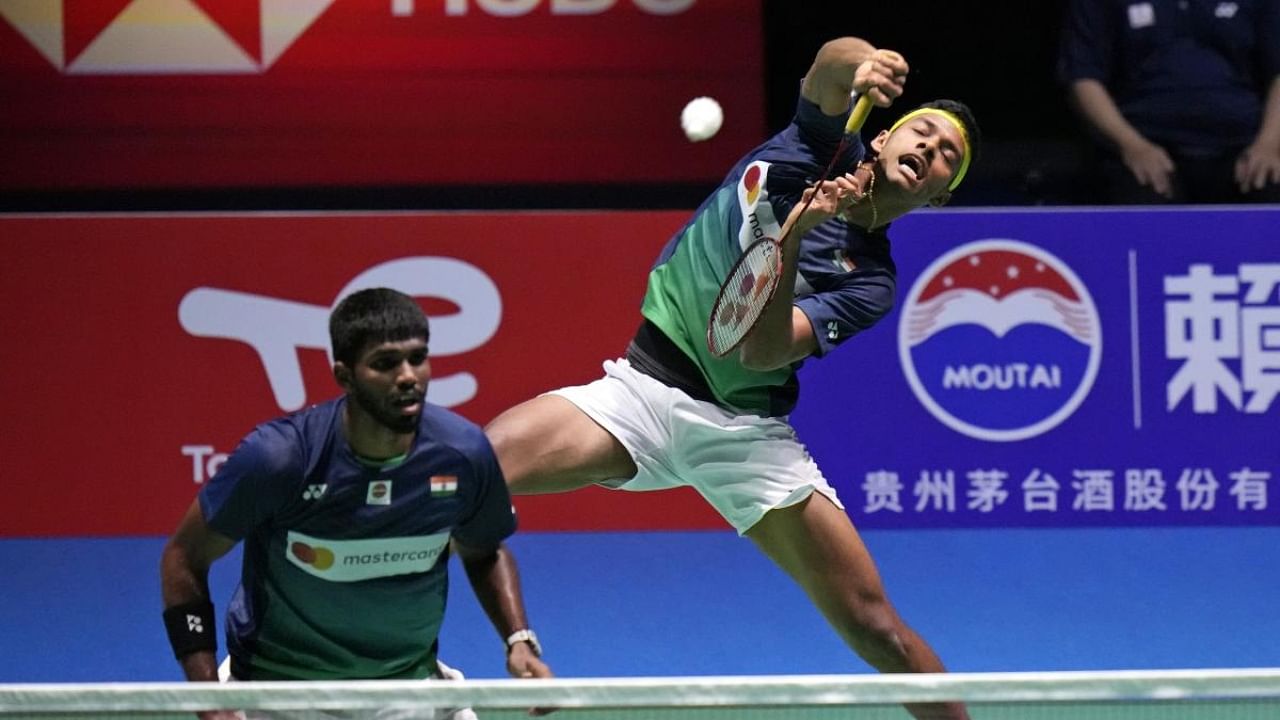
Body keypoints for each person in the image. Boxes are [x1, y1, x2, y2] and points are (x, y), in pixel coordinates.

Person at [485, 36, 977, 720]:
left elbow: (761, 353)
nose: (929, 149)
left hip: (744, 434)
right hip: (642, 389)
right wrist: (859, 62)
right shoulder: (815, 145)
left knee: (876, 628)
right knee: (472, 467)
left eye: (946, 157)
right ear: (887, 133)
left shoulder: (871, 283)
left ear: (938, 196)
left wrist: (796, 235)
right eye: (923, 132)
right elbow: (827, 67)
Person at [160, 288, 552, 720]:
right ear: (344, 376)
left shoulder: (462, 453)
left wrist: (519, 640)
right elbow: (184, 559)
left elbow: (484, 550)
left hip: (407, 690)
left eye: (418, 358)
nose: (408, 376)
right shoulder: (281, 460)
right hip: (278, 694)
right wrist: (210, 702)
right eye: (385, 364)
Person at [1058, 0, 1280, 203]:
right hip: (1145, 147)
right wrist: (1133, 146)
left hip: (1244, 146)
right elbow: (1083, 77)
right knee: (1137, 205)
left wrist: (1269, 144)